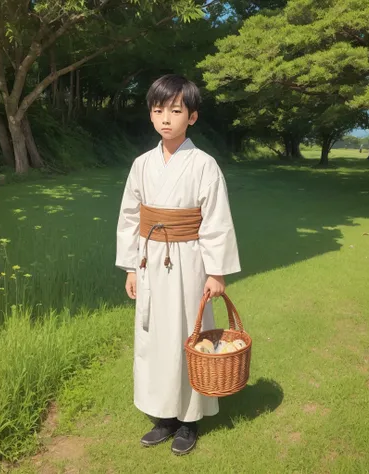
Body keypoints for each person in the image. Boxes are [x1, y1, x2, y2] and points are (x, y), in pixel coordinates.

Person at [115, 74, 241, 455]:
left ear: (192, 117)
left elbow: (216, 219)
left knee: (189, 334)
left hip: (188, 261)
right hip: (151, 259)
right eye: (158, 111)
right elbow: (129, 217)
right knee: (154, 337)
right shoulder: (141, 165)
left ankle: (189, 419)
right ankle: (163, 415)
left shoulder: (204, 165)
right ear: (151, 116)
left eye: (175, 110)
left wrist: (216, 271)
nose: (166, 118)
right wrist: (131, 268)